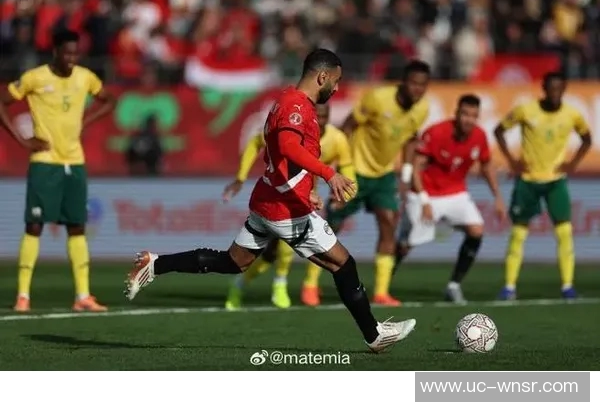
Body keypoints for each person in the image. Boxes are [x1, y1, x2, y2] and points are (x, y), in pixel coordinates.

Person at [125, 49, 416, 352]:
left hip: (268, 199)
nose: (337, 87)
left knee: (233, 261)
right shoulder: (297, 106)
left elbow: (278, 156)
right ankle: (374, 335)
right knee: (343, 264)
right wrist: (329, 174)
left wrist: (307, 189)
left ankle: (154, 264)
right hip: (284, 209)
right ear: (322, 77)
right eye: (336, 80)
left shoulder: (286, 98)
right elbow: (288, 147)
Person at [0, 29, 117, 312]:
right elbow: (2, 102)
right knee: (34, 225)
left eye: (75, 53)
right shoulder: (35, 78)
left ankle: (83, 296)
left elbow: (110, 100)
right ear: (55, 52)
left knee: (77, 226)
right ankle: (23, 296)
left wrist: (87, 121)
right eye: (67, 53)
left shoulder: (85, 77)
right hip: (45, 162)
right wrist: (22, 140)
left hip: (75, 162)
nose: (72, 59)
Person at [222, 103, 356, 310]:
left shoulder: (336, 139)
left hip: (304, 199)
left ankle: (280, 284)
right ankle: (254, 284)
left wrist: (344, 195)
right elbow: (255, 143)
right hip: (276, 197)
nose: (320, 121)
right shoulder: (290, 134)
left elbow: (348, 171)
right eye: (317, 116)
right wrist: (241, 177)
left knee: (282, 250)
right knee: (270, 253)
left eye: (324, 116)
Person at [328, 60, 431, 306]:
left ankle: (382, 292)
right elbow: (348, 125)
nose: (418, 89)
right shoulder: (378, 99)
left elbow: (410, 139)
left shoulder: (422, 109)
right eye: (414, 83)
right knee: (332, 225)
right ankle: (310, 284)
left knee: (389, 222)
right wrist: (340, 167)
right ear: (403, 82)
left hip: (384, 175)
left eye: (423, 85)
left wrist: (406, 175)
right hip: (355, 170)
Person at [395, 94, 506, 303]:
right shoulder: (436, 132)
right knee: (406, 245)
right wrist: (424, 201)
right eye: (465, 114)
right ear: (457, 114)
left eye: (473, 115)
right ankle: (383, 284)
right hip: (426, 193)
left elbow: (486, 166)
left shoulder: (479, 136)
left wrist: (498, 197)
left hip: (455, 193)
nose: (468, 120)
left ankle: (454, 286)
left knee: (476, 230)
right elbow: (417, 168)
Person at [494, 72, 592, 300]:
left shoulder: (572, 114)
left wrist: (573, 164)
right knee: (518, 233)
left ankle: (567, 286)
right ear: (544, 89)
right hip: (528, 180)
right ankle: (509, 287)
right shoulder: (526, 110)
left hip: (555, 180)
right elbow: (499, 131)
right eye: (551, 88)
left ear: (564, 89)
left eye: (559, 89)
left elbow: (587, 138)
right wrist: (512, 161)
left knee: (564, 232)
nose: (555, 93)